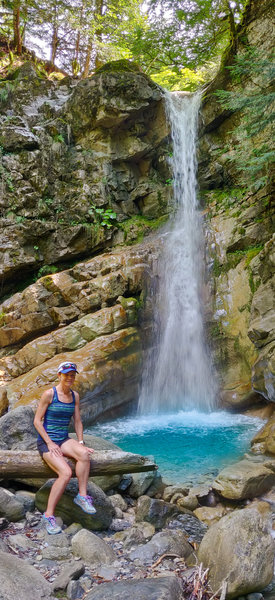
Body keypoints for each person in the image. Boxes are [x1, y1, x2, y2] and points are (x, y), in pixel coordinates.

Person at [34, 361, 96, 534]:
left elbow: (77, 421)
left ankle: (82, 496)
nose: (70, 377)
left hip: (63, 439)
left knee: (84, 454)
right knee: (66, 473)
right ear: (59, 375)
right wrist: (49, 443)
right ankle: (48, 515)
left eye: (72, 374)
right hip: (47, 442)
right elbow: (37, 421)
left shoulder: (74, 396)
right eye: (67, 374)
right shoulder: (49, 394)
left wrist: (81, 442)